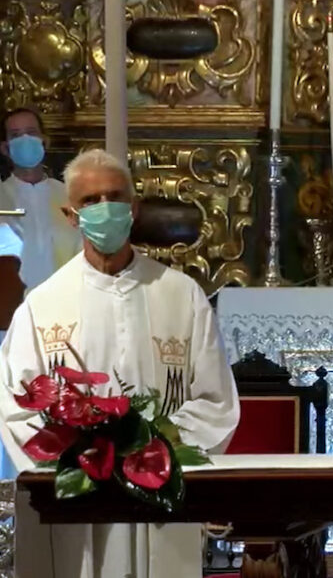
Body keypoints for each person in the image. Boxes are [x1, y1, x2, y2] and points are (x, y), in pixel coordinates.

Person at [0, 149, 240, 578]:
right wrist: (79, 455)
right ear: (71, 216)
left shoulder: (181, 296)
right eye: (90, 201)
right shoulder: (42, 306)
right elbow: (17, 406)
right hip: (76, 501)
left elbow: (215, 398)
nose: (104, 208)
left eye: (115, 197)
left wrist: (149, 446)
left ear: (133, 208)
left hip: (158, 486)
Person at [0, 107, 81, 290]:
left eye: (31, 132)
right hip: (11, 301)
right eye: (16, 135)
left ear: (44, 142)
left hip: (65, 296)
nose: (25, 140)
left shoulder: (70, 195)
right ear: (5, 148)